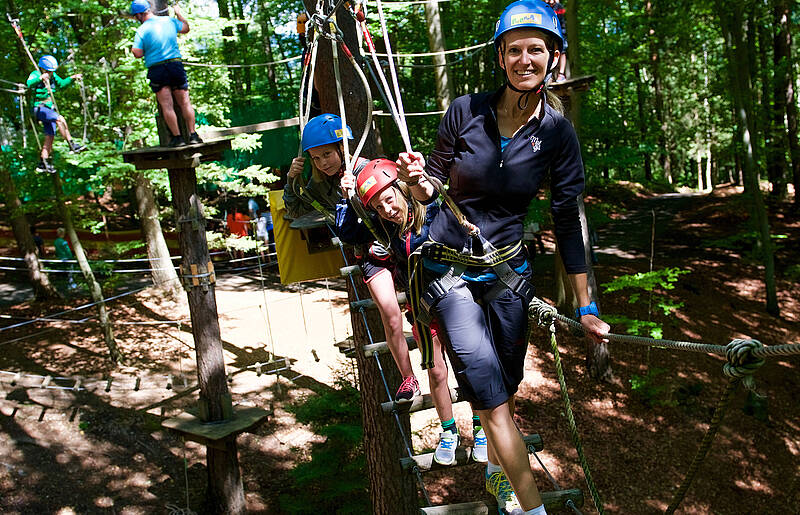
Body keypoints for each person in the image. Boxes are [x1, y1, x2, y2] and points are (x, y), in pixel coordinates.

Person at [396, 2, 609, 513]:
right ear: (500, 57)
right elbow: (434, 187)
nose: (524, 59)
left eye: (536, 49)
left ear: (553, 58)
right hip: (449, 272)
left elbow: (567, 217)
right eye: (514, 50)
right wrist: (417, 182)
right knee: (492, 401)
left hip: (509, 274)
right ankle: (532, 508)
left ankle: (496, 473)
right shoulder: (464, 112)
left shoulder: (557, 134)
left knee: (507, 387)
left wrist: (584, 306)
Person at [342, 158, 489, 465]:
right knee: (436, 371)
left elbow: (436, 192)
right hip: (423, 311)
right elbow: (352, 231)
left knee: (468, 366)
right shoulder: (387, 230)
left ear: (401, 189)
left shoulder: (431, 212)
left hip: (456, 302)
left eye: (388, 200)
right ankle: (448, 432)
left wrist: (418, 178)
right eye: (379, 208)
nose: (387, 210)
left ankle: (481, 430)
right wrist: (350, 200)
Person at [285, 114, 419, 405]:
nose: (323, 163)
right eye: (316, 158)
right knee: (391, 315)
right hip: (372, 254)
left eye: (327, 155)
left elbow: (398, 205)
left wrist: (354, 196)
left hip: (400, 246)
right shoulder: (321, 183)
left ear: (342, 149)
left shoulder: (368, 169)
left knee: (423, 314)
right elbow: (295, 209)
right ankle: (408, 379)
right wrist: (291, 179)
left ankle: (438, 366)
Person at [130, 0, 202, 147]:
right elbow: (186, 28)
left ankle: (178, 138)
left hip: (157, 69)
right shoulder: (169, 21)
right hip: (175, 65)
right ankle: (193, 134)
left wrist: (146, 49)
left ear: (138, 15)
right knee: (185, 102)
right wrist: (179, 13)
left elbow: (137, 53)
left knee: (167, 106)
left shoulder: (141, 30)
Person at [26, 55, 86, 172]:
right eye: (49, 71)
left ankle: (43, 163)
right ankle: (72, 144)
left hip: (48, 109)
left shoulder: (53, 76)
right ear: (43, 69)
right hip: (39, 108)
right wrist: (40, 78)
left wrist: (73, 77)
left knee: (50, 136)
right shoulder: (35, 73)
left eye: (52, 72)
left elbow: (62, 84)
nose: (51, 73)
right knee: (60, 119)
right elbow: (29, 83)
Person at [545, 0, 568, 82]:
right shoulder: (543, 6)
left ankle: (561, 74)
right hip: (548, 33)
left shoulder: (559, 6)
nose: (550, 2)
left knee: (562, 51)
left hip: (560, 32)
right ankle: (548, 74)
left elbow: (561, 18)